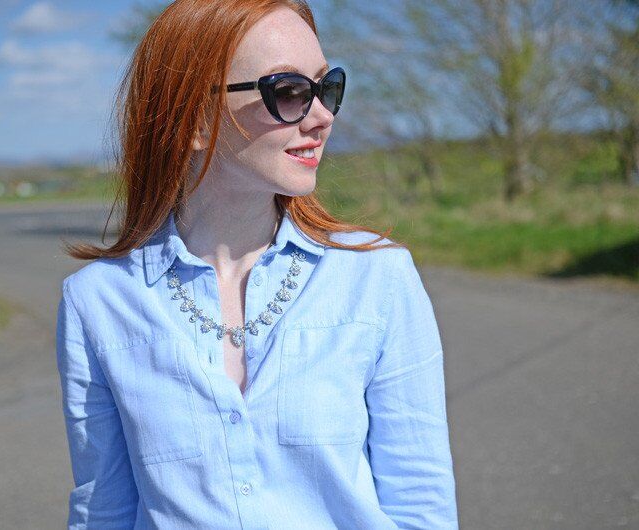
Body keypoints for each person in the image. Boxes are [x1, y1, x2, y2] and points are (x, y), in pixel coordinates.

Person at [55, 0, 459, 528]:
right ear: (192, 119)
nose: (323, 116)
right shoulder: (98, 302)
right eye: (288, 91)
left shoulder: (378, 277)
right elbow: (103, 508)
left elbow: (420, 503)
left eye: (326, 86)